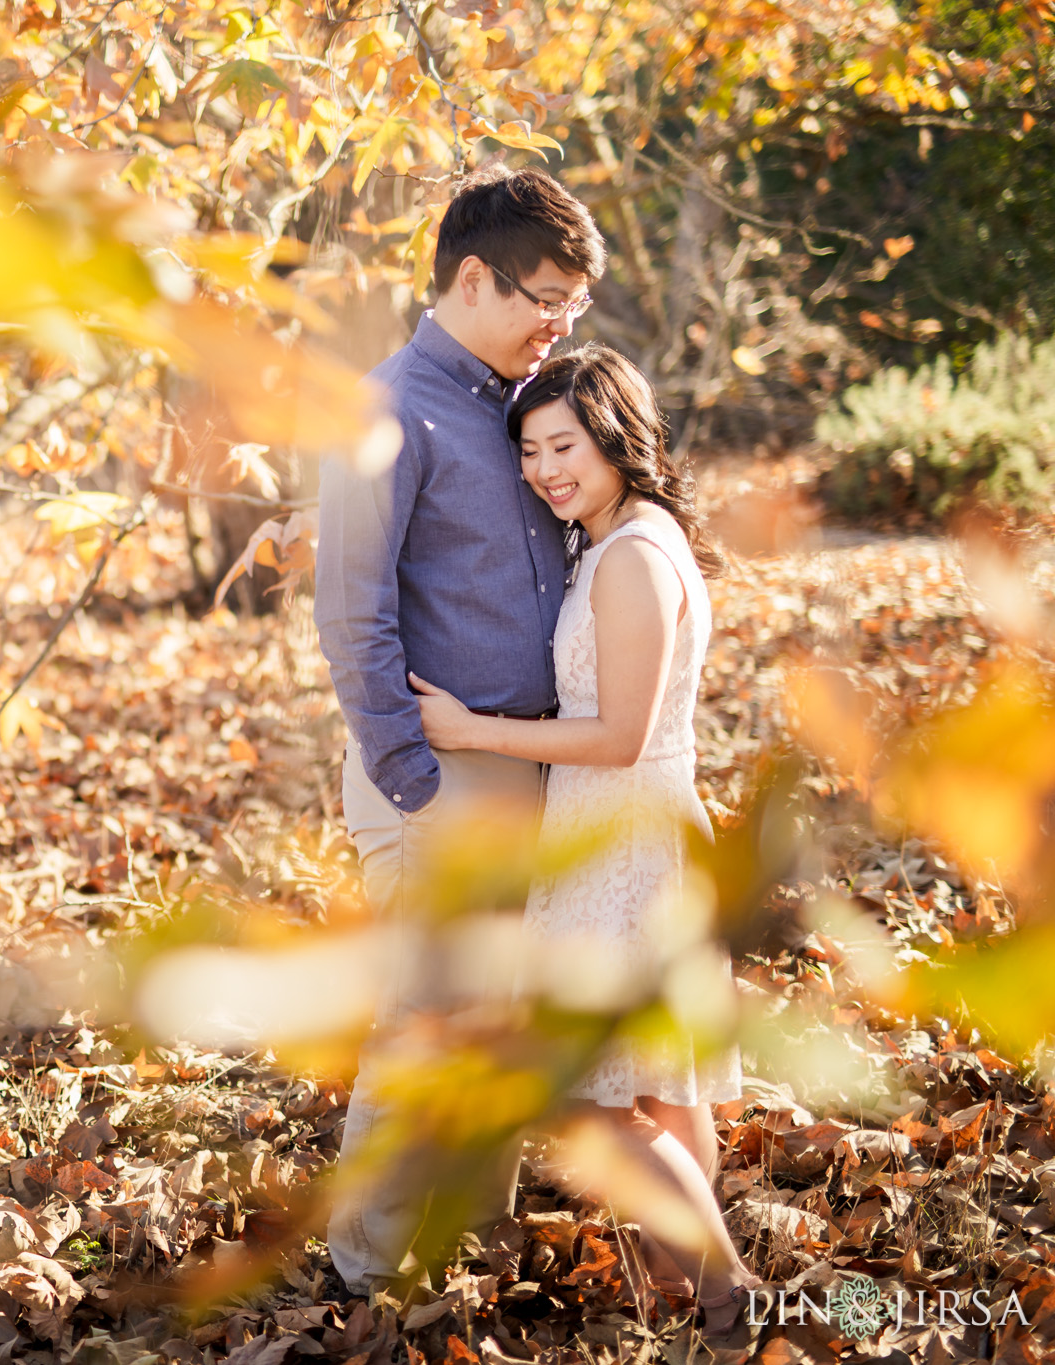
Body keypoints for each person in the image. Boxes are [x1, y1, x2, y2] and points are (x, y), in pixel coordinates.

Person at [409, 343, 761, 1331]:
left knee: (601, 1102)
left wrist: (468, 729)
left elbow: (620, 736)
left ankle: (731, 1294)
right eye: (527, 452)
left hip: (624, 842)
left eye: (560, 444)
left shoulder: (634, 556)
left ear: (613, 434)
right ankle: (695, 1300)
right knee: (663, 1085)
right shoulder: (616, 542)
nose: (542, 470)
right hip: (617, 832)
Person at [313, 163, 606, 1295]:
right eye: (543, 298)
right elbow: (352, 610)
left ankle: (463, 1239)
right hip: (438, 774)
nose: (557, 324)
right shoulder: (384, 410)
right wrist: (411, 776)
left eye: (572, 306)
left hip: (527, 759)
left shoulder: (519, 406)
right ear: (472, 277)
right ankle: (363, 1272)